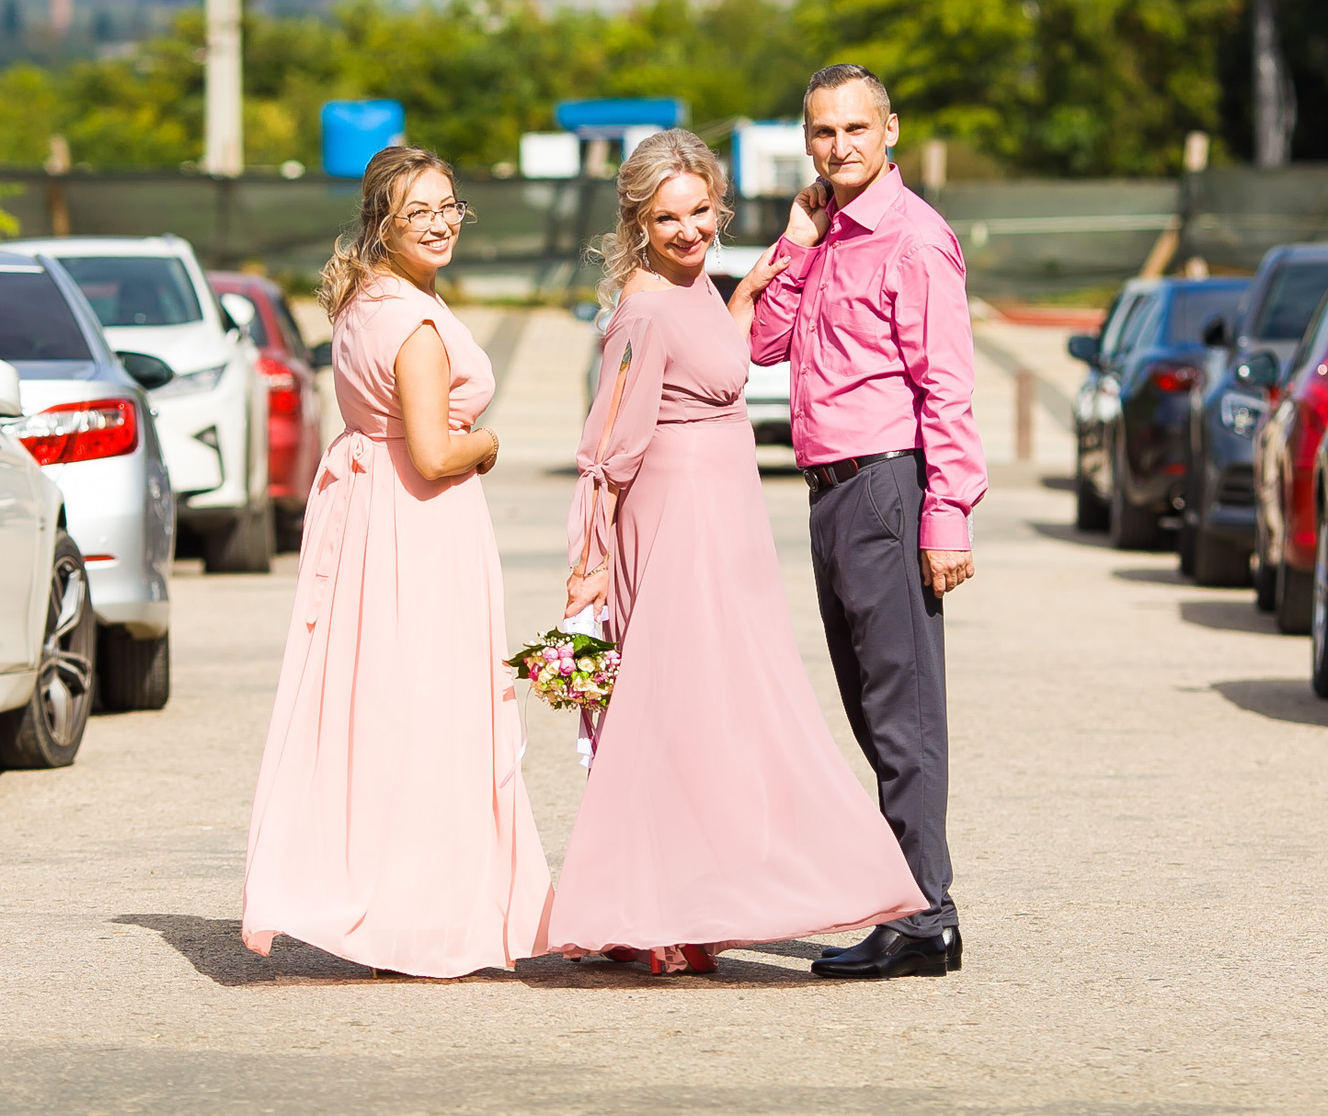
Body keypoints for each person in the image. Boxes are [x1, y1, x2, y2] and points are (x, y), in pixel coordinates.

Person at [548, 130, 925, 974]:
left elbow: (720, 356)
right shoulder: (643, 307)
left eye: (699, 211)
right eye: (667, 217)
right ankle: (654, 913)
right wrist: (593, 557)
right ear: (638, 221)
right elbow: (609, 441)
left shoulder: (699, 288)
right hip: (678, 521)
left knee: (713, 712)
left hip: (725, 521)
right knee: (679, 712)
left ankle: (684, 904)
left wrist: (769, 266)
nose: (688, 231)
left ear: (720, 204)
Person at [241, 145, 551, 977]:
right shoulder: (412, 323)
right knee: (432, 712)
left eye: (450, 205)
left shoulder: (366, 301)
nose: (442, 223)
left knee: (382, 708)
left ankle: (393, 904)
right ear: (384, 220)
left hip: (375, 518)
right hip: (419, 527)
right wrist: (487, 442)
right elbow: (435, 452)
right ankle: (419, 916)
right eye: (421, 211)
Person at [749, 65, 984, 981]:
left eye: (855, 127)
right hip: (830, 489)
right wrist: (799, 239)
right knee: (869, 703)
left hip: (889, 485)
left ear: (891, 129)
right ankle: (909, 902)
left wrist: (947, 516)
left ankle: (926, 915)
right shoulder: (829, 233)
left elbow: (947, 386)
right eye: (821, 131)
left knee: (902, 710)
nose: (838, 145)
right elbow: (764, 342)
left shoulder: (914, 240)